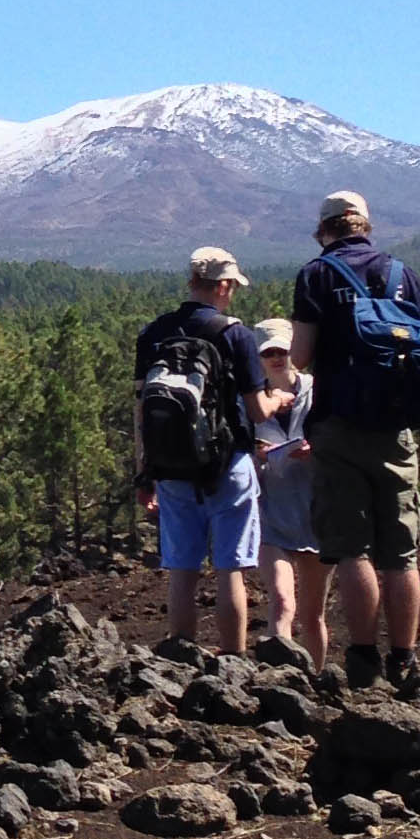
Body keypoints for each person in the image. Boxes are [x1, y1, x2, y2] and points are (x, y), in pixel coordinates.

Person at [289, 191, 420, 689]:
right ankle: (406, 658)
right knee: (401, 552)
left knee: (352, 550)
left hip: (338, 426)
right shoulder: (401, 273)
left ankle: (365, 658)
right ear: (366, 226)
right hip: (395, 428)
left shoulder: (317, 275)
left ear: (325, 230)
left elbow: (301, 357)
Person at [134, 247, 298, 656]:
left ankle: (180, 656)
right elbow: (258, 411)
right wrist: (279, 399)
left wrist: (144, 473)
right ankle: (232, 661)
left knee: (182, 570)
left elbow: (141, 412)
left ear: (192, 282)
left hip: (171, 468)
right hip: (229, 464)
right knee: (230, 569)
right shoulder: (234, 334)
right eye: (232, 287)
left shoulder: (153, 334)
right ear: (223, 286)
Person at [248, 317, 327, 665]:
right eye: (269, 353)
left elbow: (337, 440)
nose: (277, 358)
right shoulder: (250, 402)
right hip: (270, 515)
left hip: (317, 515)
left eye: (282, 350)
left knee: (313, 616)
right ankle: (280, 681)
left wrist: (318, 451)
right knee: (281, 602)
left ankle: (317, 682)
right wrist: (255, 454)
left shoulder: (318, 391)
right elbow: (235, 456)